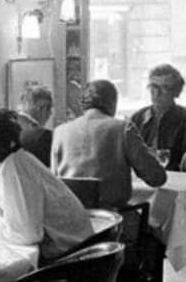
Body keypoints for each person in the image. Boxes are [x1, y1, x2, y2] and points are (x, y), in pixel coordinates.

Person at [0, 105, 93, 263]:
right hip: (49, 250)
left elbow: (27, 235)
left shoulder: (16, 168)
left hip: (71, 258)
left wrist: (2, 226)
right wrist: (6, 227)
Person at [52, 79, 166, 208]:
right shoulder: (123, 129)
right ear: (113, 103)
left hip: (71, 217)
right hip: (113, 218)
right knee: (158, 223)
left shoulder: (60, 132)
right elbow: (156, 177)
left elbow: (54, 181)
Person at [129, 64, 186, 172]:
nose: (157, 93)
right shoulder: (138, 118)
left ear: (177, 92)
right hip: (141, 180)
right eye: (154, 87)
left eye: (165, 88)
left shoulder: (184, 118)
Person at [15, 85, 53, 166]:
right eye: (49, 109)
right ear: (41, 108)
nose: (51, 114)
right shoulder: (43, 136)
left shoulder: (9, 125)